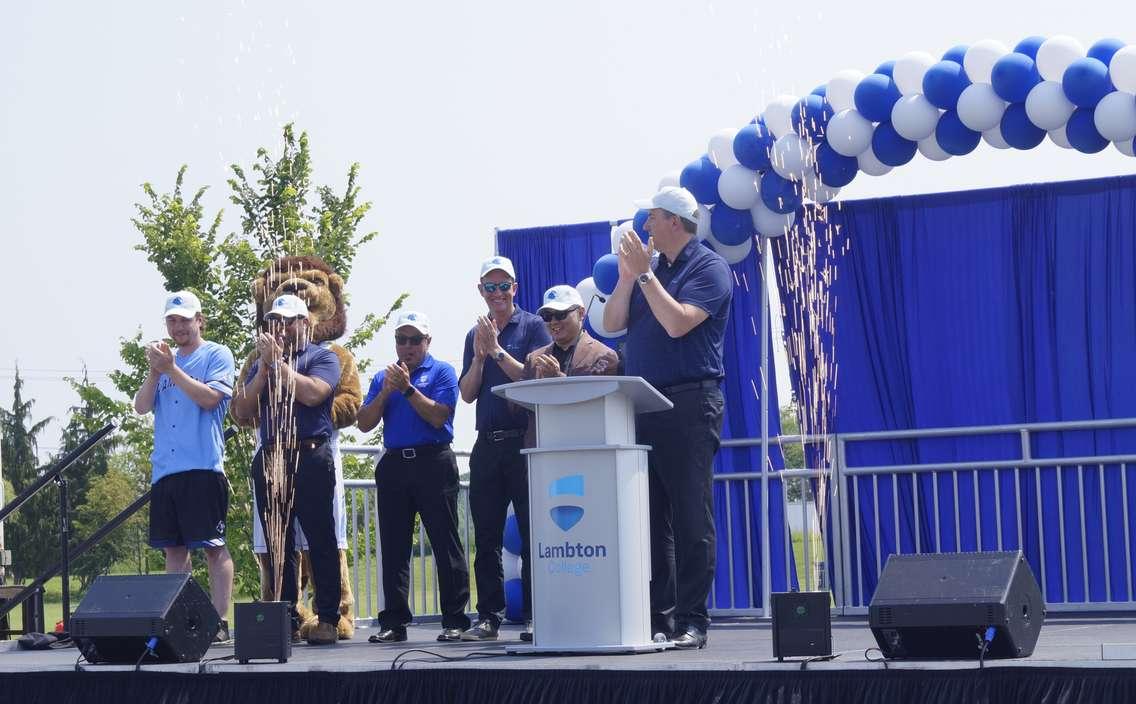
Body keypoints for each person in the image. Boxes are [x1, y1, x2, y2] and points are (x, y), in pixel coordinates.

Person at [604, 186, 732, 649]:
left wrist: (644, 278)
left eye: (652, 217)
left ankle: (693, 620)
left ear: (675, 221)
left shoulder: (709, 267)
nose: (646, 227)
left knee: (690, 516)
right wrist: (627, 278)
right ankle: (660, 617)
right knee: (652, 518)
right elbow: (612, 323)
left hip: (690, 404)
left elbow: (679, 322)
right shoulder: (648, 272)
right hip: (646, 406)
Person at [231, 293, 342, 646]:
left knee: (320, 539)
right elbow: (242, 410)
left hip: (309, 455)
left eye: (288, 321)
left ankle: (327, 617)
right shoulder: (260, 364)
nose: (280, 328)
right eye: (274, 322)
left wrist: (279, 365)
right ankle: (286, 618)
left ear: (305, 323)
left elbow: (314, 394)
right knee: (279, 544)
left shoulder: (322, 356)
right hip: (272, 456)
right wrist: (264, 367)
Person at [357, 311, 472, 644]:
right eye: (400, 339)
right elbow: (364, 422)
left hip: (432, 461)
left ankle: (455, 619)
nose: (407, 347)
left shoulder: (442, 371)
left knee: (444, 542)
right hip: (394, 464)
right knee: (393, 547)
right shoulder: (383, 377)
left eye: (414, 340)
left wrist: (407, 389)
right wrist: (385, 392)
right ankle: (393, 621)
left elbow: (439, 417)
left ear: (427, 342)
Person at [134, 290, 236, 644]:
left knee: (212, 545)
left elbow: (210, 399)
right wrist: (154, 371)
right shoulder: (164, 363)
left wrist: (171, 369)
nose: (178, 327)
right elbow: (142, 407)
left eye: (184, 319)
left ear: (199, 321)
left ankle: (219, 619)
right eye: (172, 320)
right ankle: (178, 620)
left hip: (202, 466)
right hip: (166, 470)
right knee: (174, 550)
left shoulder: (215, 354)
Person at [458, 256, 552, 641]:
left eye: (503, 286)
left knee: (532, 533)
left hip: (522, 442)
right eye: (489, 287)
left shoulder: (532, 326)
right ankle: (489, 617)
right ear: (481, 291)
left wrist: (496, 350)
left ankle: (535, 614)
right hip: (487, 444)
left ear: (515, 288)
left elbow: (532, 378)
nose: (497, 294)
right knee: (487, 537)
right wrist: (480, 356)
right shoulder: (473, 334)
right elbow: (466, 394)